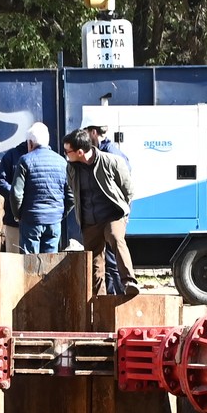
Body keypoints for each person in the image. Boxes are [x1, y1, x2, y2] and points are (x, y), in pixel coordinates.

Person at [63, 127, 139, 297]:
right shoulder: (71, 168)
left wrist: (124, 215)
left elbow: (128, 189)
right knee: (95, 261)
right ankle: (98, 300)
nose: (66, 154)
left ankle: (129, 282)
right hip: (89, 221)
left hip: (113, 215)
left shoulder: (112, 162)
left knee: (116, 238)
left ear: (80, 152)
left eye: (68, 151)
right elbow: (72, 192)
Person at [84, 120, 130, 292]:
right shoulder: (111, 152)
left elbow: (126, 186)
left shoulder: (109, 154)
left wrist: (122, 213)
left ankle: (115, 299)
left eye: (86, 132)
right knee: (108, 262)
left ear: (93, 132)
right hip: (105, 216)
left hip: (110, 216)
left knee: (111, 262)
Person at [9, 122, 69, 253]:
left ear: (30, 143)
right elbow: (71, 195)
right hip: (54, 220)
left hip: (31, 219)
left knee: (29, 264)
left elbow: (16, 193)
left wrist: (18, 214)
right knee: (50, 263)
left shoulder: (25, 160)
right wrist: (61, 213)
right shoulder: (62, 162)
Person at [0, 129, 32, 252]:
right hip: (14, 220)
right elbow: (0, 181)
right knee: (14, 259)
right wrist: (16, 194)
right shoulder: (12, 155)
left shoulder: (49, 157)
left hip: (40, 220)